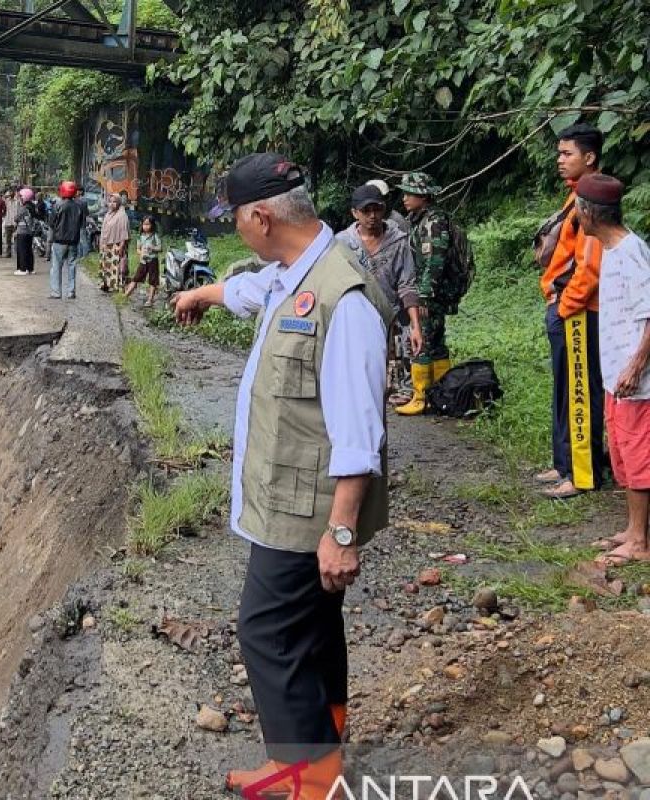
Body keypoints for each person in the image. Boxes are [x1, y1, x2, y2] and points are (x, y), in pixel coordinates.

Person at [170, 153, 390, 800]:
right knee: (314, 629)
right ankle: (321, 749)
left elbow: (359, 431)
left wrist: (341, 534)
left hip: (310, 514)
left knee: (266, 631)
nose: (235, 231)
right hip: (292, 502)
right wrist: (201, 294)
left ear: (260, 217)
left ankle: (313, 777)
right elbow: (249, 292)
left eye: (235, 220)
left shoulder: (341, 298)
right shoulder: (295, 271)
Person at [573, 174, 650, 564]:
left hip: (636, 380)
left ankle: (639, 540)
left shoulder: (633, 251)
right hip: (616, 376)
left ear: (588, 213)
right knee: (622, 452)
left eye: (577, 210)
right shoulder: (612, 251)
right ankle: (632, 529)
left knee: (638, 455)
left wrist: (636, 366)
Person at [534, 123, 607, 499]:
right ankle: (564, 463)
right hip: (566, 306)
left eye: (567, 154)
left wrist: (565, 305)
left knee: (580, 390)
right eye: (560, 153)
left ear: (589, 157)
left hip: (579, 310)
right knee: (566, 387)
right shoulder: (575, 194)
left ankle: (582, 474)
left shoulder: (593, 197)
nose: (560, 161)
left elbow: (590, 264)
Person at [336, 183, 423, 400]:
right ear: (355, 213)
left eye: (377, 209)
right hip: (355, 317)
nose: (372, 216)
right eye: (366, 211)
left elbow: (407, 284)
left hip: (391, 317)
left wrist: (415, 326)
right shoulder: (342, 244)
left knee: (393, 385)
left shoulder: (399, 241)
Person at [393, 172, 454, 416]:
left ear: (424, 196)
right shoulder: (421, 219)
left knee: (422, 342)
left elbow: (434, 262)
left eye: (411, 193)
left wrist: (424, 298)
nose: (405, 198)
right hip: (431, 292)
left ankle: (421, 396)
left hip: (430, 294)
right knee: (436, 343)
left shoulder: (432, 223)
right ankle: (441, 394)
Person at [48, 180, 87, 300]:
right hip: (73, 241)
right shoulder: (79, 206)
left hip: (59, 240)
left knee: (56, 267)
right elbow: (82, 224)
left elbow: (51, 222)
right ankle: (71, 292)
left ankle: (56, 292)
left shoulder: (58, 205)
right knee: (72, 266)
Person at [124, 216, 162, 308]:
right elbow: (138, 248)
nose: (145, 226)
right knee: (136, 278)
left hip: (153, 260)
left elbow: (160, 248)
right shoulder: (140, 236)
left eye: (148, 224)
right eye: (144, 224)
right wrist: (141, 253)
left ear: (152, 225)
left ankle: (150, 300)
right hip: (143, 261)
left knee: (153, 281)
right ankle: (125, 295)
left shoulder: (155, 236)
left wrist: (152, 248)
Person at [98, 193, 130, 292]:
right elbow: (104, 230)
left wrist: (121, 246)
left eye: (114, 202)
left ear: (119, 203)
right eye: (110, 201)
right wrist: (102, 243)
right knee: (106, 265)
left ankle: (117, 286)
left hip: (116, 245)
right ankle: (106, 284)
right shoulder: (108, 214)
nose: (112, 204)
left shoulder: (122, 215)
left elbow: (124, 232)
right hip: (106, 244)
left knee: (117, 267)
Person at [13, 187, 37, 276]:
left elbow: (16, 218)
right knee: (29, 250)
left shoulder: (24, 208)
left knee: (21, 250)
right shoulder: (32, 206)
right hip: (29, 231)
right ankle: (30, 268)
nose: (20, 198)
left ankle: (22, 269)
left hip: (22, 231)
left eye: (21, 197)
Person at [3, 188, 22, 259]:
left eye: (11, 192)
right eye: (9, 192)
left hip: (15, 223)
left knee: (16, 239)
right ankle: (8, 253)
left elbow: (19, 211)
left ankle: (17, 253)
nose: (10, 194)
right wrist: (7, 195)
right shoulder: (6, 201)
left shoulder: (17, 202)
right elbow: (3, 197)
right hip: (8, 222)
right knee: (8, 240)